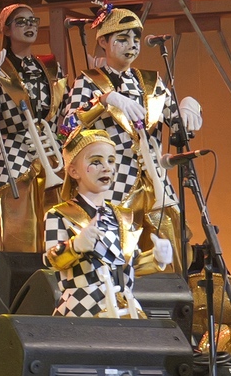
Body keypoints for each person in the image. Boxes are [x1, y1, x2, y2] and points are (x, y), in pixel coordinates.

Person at [58, 4, 202, 267]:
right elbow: (68, 127)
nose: (132, 45)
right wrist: (104, 100)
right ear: (103, 42)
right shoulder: (88, 81)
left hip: (154, 179)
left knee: (171, 246)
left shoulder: (150, 81)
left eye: (136, 39)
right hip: (113, 180)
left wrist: (189, 105)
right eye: (122, 39)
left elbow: (177, 123)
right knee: (119, 250)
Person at [43, 129, 169, 319]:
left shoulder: (123, 216)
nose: (107, 168)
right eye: (96, 161)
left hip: (125, 307)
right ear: (74, 171)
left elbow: (128, 263)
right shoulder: (59, 214)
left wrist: (156, 258)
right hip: (82, 307)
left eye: (111, 160)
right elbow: (51, 260)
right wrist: (74, 247)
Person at [0, 3, 66, 254]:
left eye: (33, 21)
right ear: (6, 30)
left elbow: (63, 110)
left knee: (54, 224)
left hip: (50, 151)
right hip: (12, 153)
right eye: (21, 21)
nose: (29, 26)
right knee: (17, 228)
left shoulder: (50, 66)